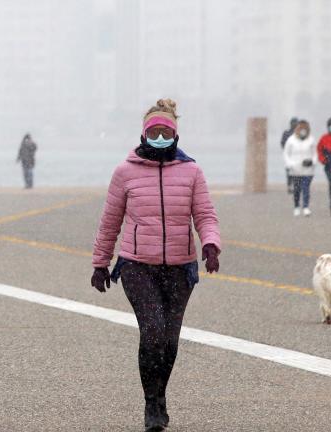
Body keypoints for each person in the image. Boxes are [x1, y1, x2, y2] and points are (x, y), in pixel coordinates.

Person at [91, 98, 221, 432]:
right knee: (152, 332)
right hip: (138, 265)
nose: (160, 136)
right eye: (154, 131)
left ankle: (160, 395)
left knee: (170, 341)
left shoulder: (191, 171)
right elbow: (110, 221)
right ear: (144, 134)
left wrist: (210, 244)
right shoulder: (125, 171)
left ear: (175, 134)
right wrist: (100, 263)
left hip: (180, 267)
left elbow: (205, 214)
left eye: (166, 131)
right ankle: (152, 404)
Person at [284, 120, 317, 217]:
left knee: (306, 188)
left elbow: (315, 153)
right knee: (297, 189)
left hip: (308, 170)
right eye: (301, 128)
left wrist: (312, 162)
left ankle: (306, 207)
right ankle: (296, 206)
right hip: (295, 170)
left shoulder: (311, 139)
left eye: (305, 129)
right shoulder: (291, 140)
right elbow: (286, 153)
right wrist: (290, 164)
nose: (303, 131)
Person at [280, 117, 299, 194]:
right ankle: (290, 186)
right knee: (289, 172)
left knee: (296, 171)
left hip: (297, 155)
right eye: (294, 123)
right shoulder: (287, 133)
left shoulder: (299, 133)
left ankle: (294, 186)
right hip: (290, 156)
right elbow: (282, 143)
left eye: (296, 123)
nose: (294, 125)